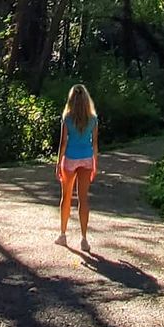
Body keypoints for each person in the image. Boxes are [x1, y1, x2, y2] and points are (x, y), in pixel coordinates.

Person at [54, 83, 98, 252]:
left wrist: (59, 162)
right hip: (87, 158)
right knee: (83, 199)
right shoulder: (93, 119)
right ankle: (84, 239)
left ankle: (63, 235)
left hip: (70, 158)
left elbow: (63, 142)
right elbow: (94, 143)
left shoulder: (67, 118)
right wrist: (95, 163)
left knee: (66, 197)